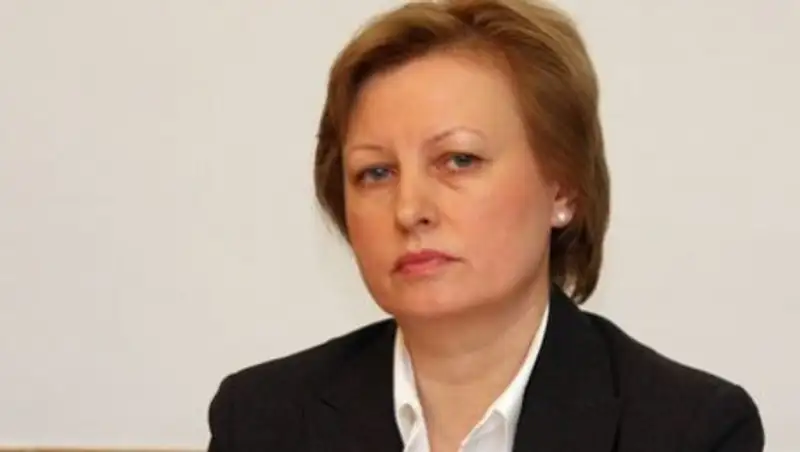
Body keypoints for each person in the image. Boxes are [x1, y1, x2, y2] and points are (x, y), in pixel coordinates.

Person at [206, 0, 764, 450]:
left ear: (563, 189)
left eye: (459, 160)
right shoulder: (262, 420)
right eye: (376, 172)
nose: (409, 209)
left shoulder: (687, 429)